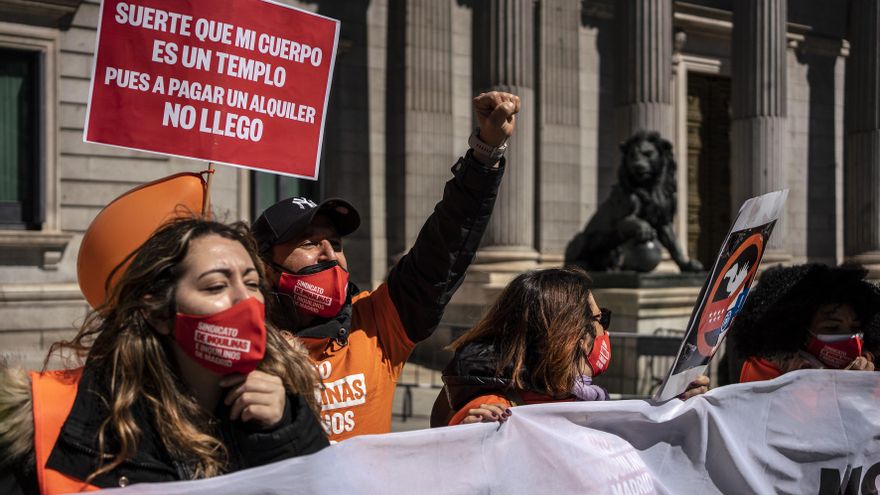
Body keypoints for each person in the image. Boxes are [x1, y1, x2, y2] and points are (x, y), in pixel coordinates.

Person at [252, 91, 520, 440]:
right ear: (265, 266)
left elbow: (444, 247)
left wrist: (485, 155)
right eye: (309, 243)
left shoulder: (377, 324)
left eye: (336, 244)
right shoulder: (242, 345)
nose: (329, 254)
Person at [0, 219, 328, 494]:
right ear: (158, 313)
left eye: (252, 283)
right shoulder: (51, 419)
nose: (245, 299)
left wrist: (283, 433)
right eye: (216, 286)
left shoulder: (287, 411)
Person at [430, 267, 710, 426]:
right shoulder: (493, 412)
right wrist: (465, 438)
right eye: (600, 319)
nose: (604, 331)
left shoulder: (571, 395)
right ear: (569, 334)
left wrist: (672, 408)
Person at [728, 263, 880, 383]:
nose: (849, 337)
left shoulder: (868, 366)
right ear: (801, 330)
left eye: (855, 327)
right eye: (832, 327)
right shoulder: (766, 371)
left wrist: (865, 385)